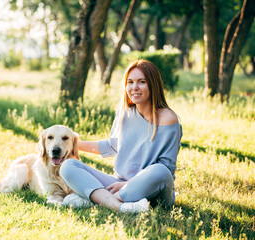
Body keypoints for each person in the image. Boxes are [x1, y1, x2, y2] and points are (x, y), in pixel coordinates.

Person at [60, 59, 183, 213]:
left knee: (160, 170)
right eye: (130, 82)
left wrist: (128, 185)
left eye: (141, 82)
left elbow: (167, 168)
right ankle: (120, 206)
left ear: (153, 84)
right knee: (68, 166)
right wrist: (72, 144)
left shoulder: (167, 118)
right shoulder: (124, 113)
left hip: (153, 191)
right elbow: (112, 146)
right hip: (118, 183)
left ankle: (99, 200)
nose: (134, 87)